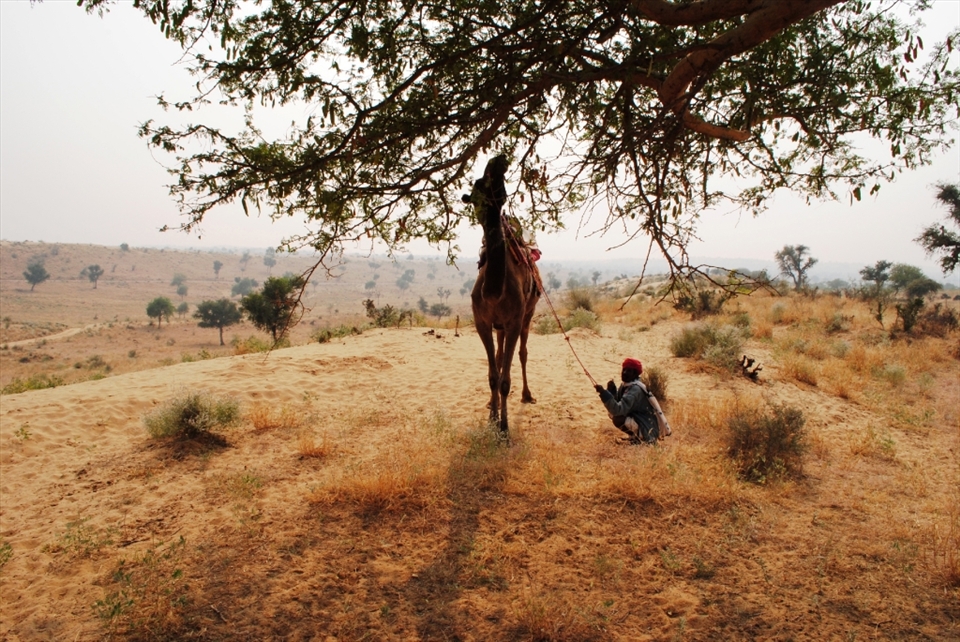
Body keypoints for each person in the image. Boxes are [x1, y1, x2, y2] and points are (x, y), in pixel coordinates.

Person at [595, 358, 672, 444]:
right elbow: (620, 403)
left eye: (629, 371)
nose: (624, 373)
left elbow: (617, 409)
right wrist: (612, 391)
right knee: (614, 414)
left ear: (635, 374)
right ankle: (635, 437)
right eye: (624, 370)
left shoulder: (635, 389)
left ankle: (640, 439)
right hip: (642, 421)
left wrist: (604, 393)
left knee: (617, 418)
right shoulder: (627, 385)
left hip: (647, 427)